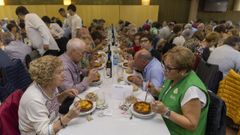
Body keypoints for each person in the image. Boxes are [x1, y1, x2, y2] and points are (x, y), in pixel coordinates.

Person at [148, 46, 209, 135]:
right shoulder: (174, 75)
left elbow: (192, 124)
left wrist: (166, 112)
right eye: (164, 65)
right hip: (165, 125)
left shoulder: (192, 91)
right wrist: (155, 91)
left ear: (183, 71)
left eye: (168, 68)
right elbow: (173, 94)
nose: (164, 70)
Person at [18, 56, 81, 135]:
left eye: (62, 71)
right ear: (47, 77)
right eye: (59, 72)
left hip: (53, 122)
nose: (63, 75)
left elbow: (53, 102)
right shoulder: (34, 99)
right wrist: (68, 117)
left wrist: (65, 94)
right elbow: (43, 132)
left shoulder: (50, 85)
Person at [58, 38, 98, 114]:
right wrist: (89, 79)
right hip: (66, 102)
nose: (83, 56)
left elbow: (79, 71)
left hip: (76, 95)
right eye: (82, 53)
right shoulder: (64, 66)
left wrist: (87, 72)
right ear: (73, 51)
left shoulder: (71, 59)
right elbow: (71, 92)